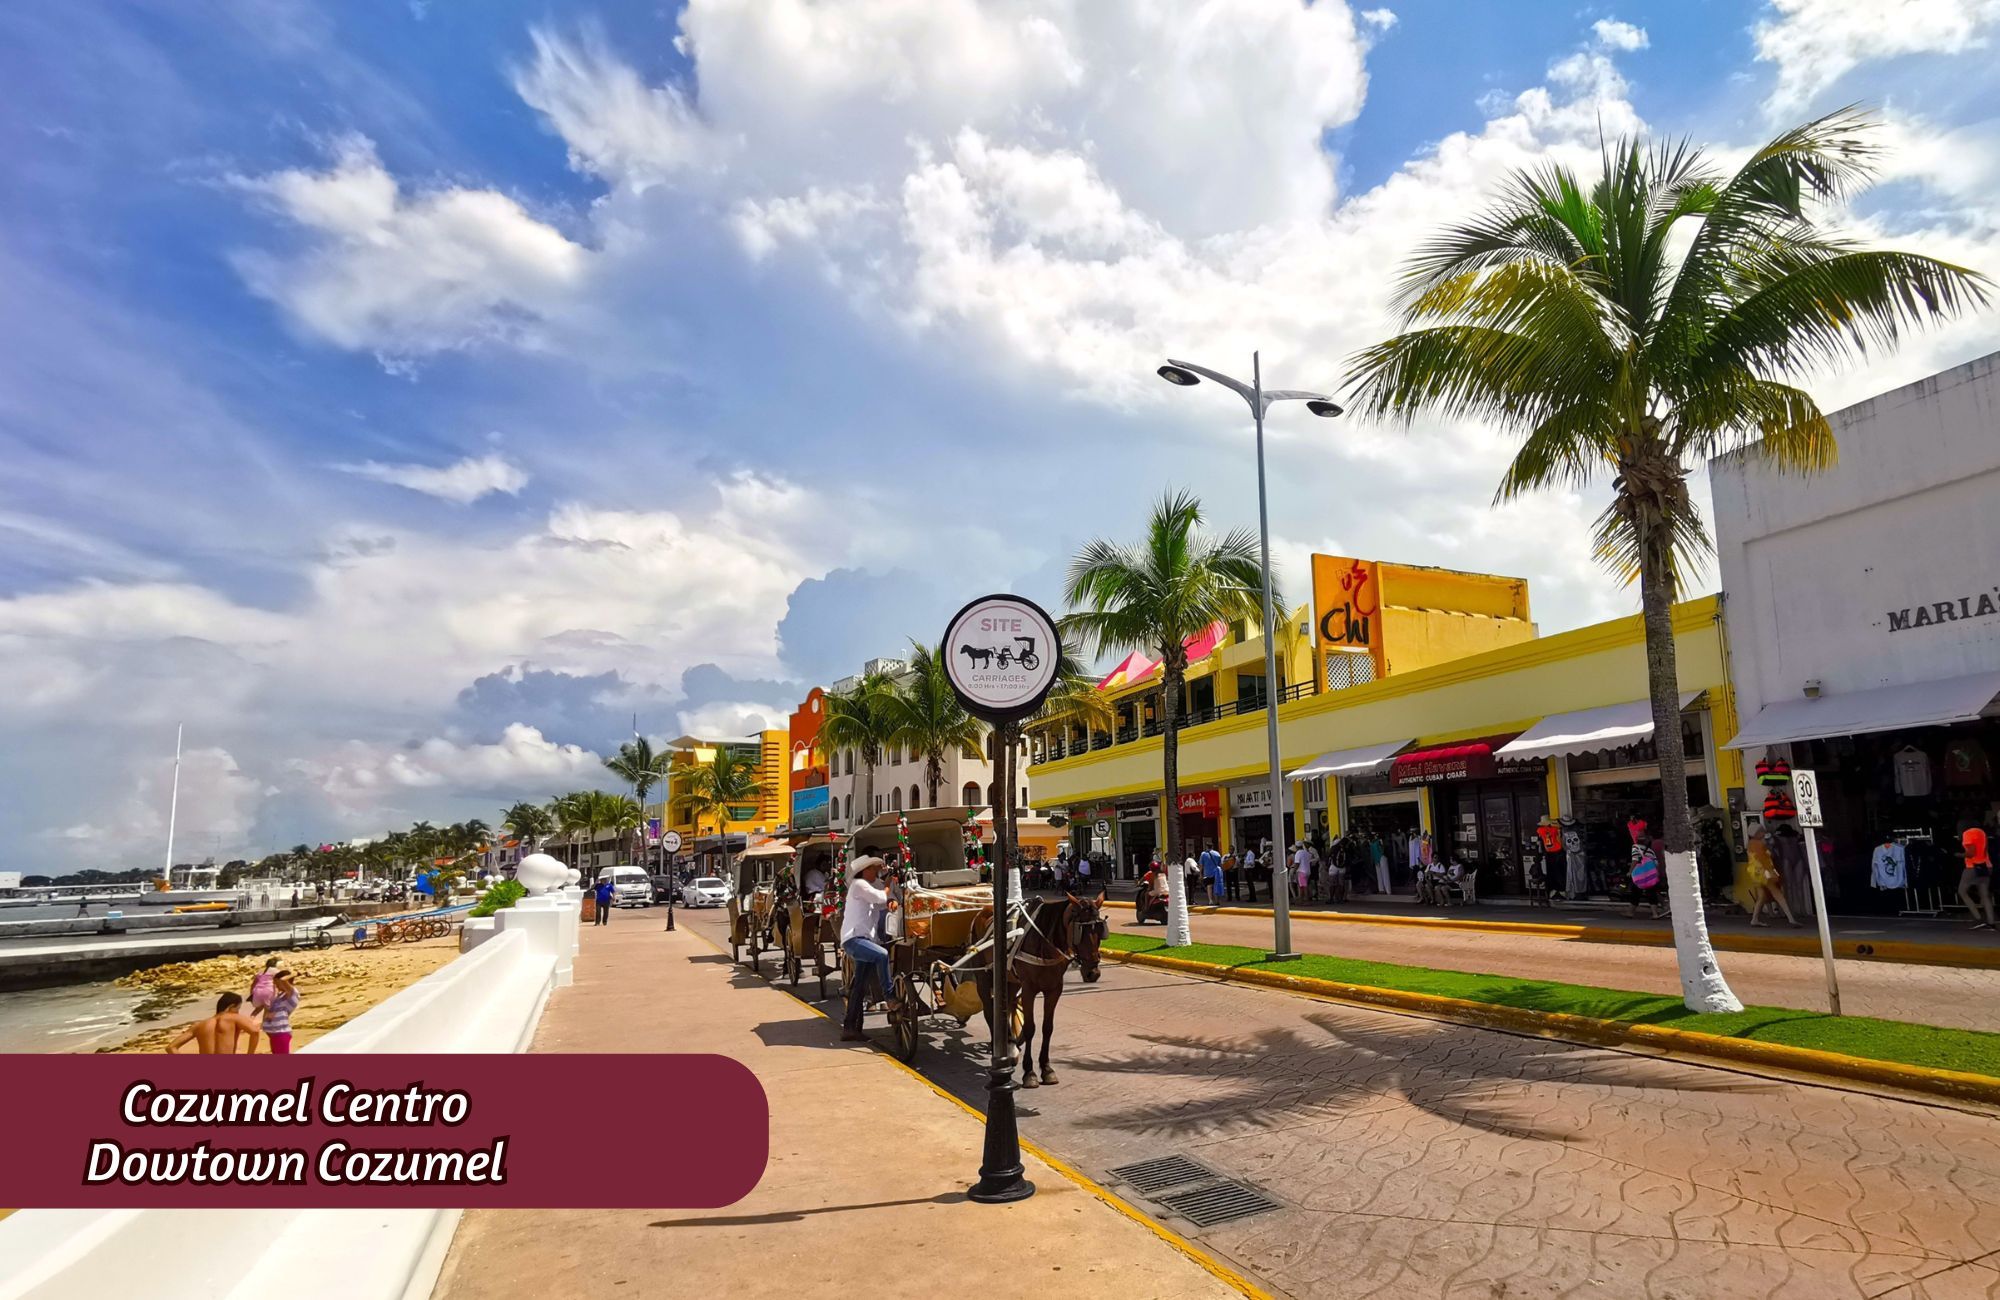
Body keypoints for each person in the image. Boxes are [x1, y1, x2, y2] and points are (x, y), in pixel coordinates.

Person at [840, 856, 899, 1040]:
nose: (877, 872)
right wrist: (888, 885)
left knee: (859, 986)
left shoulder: (867, 887)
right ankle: (889, 996)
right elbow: (881, 896)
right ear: (865, 870)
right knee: (882, 955)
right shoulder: (858, 885)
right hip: (854, 939)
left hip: (863, 939)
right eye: (874, 869)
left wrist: (891, 900)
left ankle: (850, 1027)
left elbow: (883, 901)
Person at [166, 993, 265, 1055]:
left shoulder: (199, 1025)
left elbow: (171, 1048)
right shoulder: (234, 1017)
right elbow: (255, 1032)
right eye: (238, 1009)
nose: (238, 1012)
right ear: (231, 1006)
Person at [1743, 826, 1798, 928]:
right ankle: (1791, 919)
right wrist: (1771, 872)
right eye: (1762, 831)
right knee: (1778, 894)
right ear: (1757, 833)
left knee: (1761, 897)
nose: (1764, 833)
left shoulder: (1750, 844)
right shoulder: (1758, 844)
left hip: (1755, 873)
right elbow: (1763, 859)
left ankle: (1754, 919)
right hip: (1763, 872)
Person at [1961, 825, 1996, 931]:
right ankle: (1991, 923)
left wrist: (1959, 855)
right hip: (1986, 865)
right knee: (1985, 895)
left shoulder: (1967, 833)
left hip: (1972, 866)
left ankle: (1978, 919)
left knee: (1962, 891)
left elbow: (1971, 853)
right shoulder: (1982, 833)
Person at [261, 970, 301, 1055]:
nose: (276, 986)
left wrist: (295, 973)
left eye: (277, 983)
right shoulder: (281, 996)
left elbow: (283, 980)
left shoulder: (292, 994)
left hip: (281, 1033)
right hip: (274, 1033)